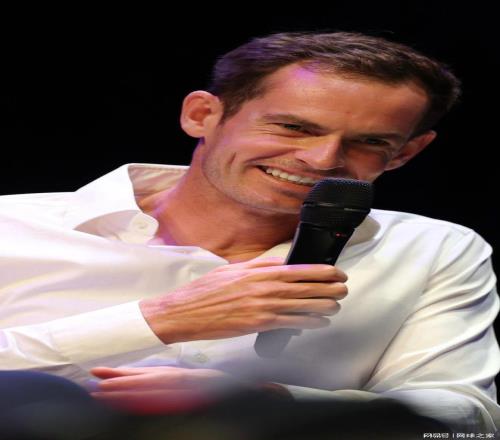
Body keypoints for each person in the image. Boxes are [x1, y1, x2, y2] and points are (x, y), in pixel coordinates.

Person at [0, 31, 498, 433]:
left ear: (406, 153)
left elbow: (468, 422)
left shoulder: (435, 249)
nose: (321, 160)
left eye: (370, 142)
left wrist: (269, 404)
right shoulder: (13, 225)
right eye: (294, 127)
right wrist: (160, 318)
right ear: (202, 115)